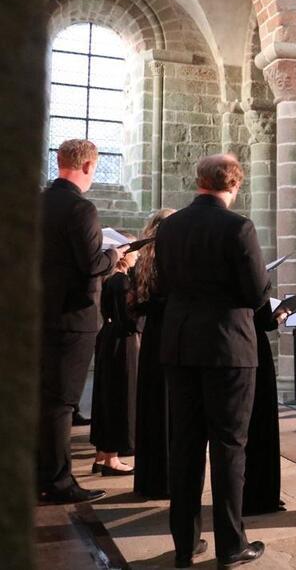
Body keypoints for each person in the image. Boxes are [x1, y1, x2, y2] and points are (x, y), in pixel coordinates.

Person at [157, 154, 269, 567]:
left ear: (199, 181)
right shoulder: (238, 226)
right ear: (234, 184)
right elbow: (257, 293)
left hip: (181, 346)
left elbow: (166, 282)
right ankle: (231, 545)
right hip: (228, 349)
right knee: (228, 448)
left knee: (184, 446)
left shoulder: (170, 226)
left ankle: (185, 545)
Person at [38, 139, 125, 504]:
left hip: (37, 315)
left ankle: (35, 475)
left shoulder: (37, 203)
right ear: (89, 166)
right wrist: (115, 255)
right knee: (61, 405)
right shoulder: (80, 208)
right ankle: (58, 483)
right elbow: (91, 265)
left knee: (43, 401)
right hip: (72, 319)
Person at [132, 208, 174, 500]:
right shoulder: (171, 260)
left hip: (150, 339)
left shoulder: (142, 262)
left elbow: (138, 305)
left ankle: (148, 479)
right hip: (170, 335)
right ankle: (168, 480)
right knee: (169, 408)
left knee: (150, 405)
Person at [89, 237, 139, 476]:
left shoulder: (110, 280)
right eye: (134, 251)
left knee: (106, 395)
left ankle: (101, 455)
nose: (137, 255)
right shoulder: (122, 282)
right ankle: (112, 459)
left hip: (108, 338)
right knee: (119, 396)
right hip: (122, 342)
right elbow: (130, 319)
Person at [242, 300, 289, 516]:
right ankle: (259, 496)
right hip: (252, 349)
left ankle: (248, 495)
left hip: (231, 345)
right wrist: (278, 316)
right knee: (261, 425)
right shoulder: (245, 268)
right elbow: (261, 318)